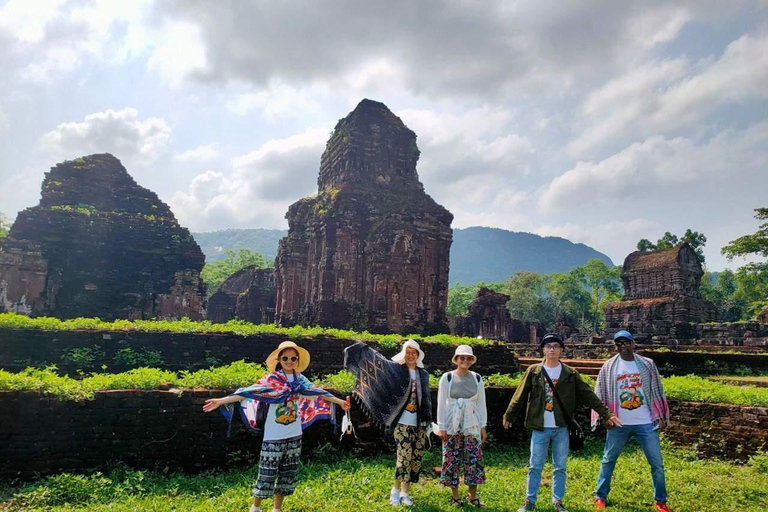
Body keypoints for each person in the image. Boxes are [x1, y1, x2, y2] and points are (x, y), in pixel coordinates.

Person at [202, 341, 350, 512]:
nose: (289, 361)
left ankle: (277, 509)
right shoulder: (272, 379)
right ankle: (256, 507)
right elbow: (246, 392)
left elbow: (319, 392)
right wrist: (220, 401)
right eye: (285, 358)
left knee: (287, 474)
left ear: (297, 360)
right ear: (279, 359)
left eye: (293, 358)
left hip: (294, 433)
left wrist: (340, 402)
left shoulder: (300, 379)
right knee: (267, 473)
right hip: (273, 434)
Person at [503, 333, 622, 512]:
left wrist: (606, 414)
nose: (552, 349)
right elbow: (520, 395)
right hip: (540, 425)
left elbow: (587, 394)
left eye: (555, 346)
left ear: (561, 351)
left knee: (560, 466)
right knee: (535, 465)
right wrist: (509, 415)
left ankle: (558, 501)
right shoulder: (534, 371)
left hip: (561, 427)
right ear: (543, 349)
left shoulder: (569, 373)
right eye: (548, 346)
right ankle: (529, 500)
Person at [344, 339, 432, 507]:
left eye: (414, 352)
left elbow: (427, 400)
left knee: (415, 458)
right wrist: (363, 349)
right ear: (403, 353)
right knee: (404, 456)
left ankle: (406, 493)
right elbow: (380, 364)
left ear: (418, 355)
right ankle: (395, 490)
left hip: (420, 422)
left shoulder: (423, 374)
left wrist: (428, 422)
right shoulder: (397, 370)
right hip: (402, 422)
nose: (411, 355)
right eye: (408, 352)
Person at [592, 330, 671, 512]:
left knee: (656, 463)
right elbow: (600, 392)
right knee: (608, 460)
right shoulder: (609, 367)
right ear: (615, 346)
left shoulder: (647, 364)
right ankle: (600, 496)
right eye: (619, 343)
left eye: (626, 342)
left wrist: (661, 415)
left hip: (646, 422)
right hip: (619, 422)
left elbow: (657, 390)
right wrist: (605, 417)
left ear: (633, 343)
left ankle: (661, 500)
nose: (623, 346)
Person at [437, 345, 488, 508]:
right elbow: (441, 404)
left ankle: (473, 496)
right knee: (452, 459)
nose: (465, 360)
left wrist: (483, 426)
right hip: (452, 424)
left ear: (472, 360)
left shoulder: (477, 378)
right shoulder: (447, 378)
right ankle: (455, 496)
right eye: (462, 358)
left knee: (473, 459)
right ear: (456, 359)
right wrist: (442, 426)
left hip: (472, 424)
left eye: (468, 358)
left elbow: (481, 404)